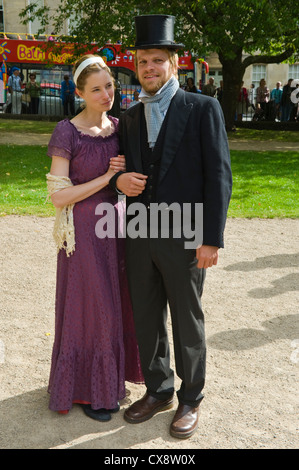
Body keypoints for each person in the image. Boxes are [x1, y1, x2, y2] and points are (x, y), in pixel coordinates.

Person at [109, 14, 232, 439]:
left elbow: (218, 175)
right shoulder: (128, 118)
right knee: (146, 315)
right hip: (141, 232)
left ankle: (191, 397)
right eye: (143, 62)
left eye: (157, 61)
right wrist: (116, 180)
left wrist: (211, 238)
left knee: (186, 318)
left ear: (174, 63)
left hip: (186, 234)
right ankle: (159, 389)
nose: (149, 69)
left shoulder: (203, 108)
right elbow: (119, 171)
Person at [46, 54, 143, 421]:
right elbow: (58, 197)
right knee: (93, 307)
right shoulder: (66, 132)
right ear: (80, 92)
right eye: (97, 89)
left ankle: (109, 381)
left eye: (110, 86)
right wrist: (106, 178)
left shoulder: (120, 127)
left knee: (116, 302)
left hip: (116, 229)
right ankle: (90, 391)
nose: (107, 94)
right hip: (83, 233)